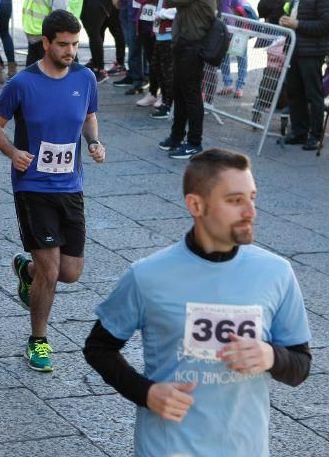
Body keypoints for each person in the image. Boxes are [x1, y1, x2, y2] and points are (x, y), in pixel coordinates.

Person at [84, 149, 312, 457]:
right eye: (235, 200)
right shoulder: (148, 275)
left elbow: (300, 365)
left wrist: (271, 356)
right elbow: (98, 348)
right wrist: (147, 393)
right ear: (196, 205)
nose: (250, 212)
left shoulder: (276, 272)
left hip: (245, 448)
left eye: (252, 198)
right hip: (167, 448)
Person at [0, 9, 105, 372]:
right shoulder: (22, 83)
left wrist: (95, 142)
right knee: (51, 271)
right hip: (33, 187)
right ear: (46, 43)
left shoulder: (85, 78)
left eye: (75, 44)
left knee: (70, 272)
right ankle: (38, 340)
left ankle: (28, 272)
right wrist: (12, 152)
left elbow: (88, 117)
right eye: (64, 44)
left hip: (71, 186)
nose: (71, 50)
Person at [157, 0, 219, 160]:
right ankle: (176, 136)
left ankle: (194, 142)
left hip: (191, 46)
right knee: (182, 93)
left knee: (190, 95)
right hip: (189, 44)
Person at [279, 0, 329, 151]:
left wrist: (298, 24)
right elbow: (295, 13)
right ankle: (299, 131)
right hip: (296, 47)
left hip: (311, 51)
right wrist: (287, 19)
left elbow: (327, 25)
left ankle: (315, 134)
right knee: (294, 91)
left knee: (313, 93)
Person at [132, 0, 174, 112]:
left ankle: (165, 95)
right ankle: (152, 92)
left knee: (163, 65)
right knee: (153, 62)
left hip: (160, 27)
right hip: (145, 22)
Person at [144, 0, 178, 120]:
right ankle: (163, 100)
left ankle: (167, 104)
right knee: (157, 68)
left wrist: (160, 14)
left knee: (167, 71)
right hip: (160, 32)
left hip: (169, 33)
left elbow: (176, 6)